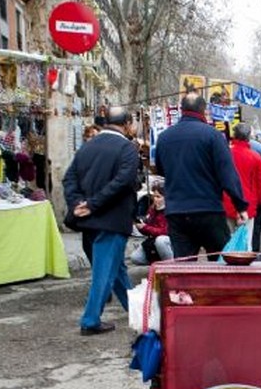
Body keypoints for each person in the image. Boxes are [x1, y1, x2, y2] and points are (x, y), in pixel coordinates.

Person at [63, 107, 140, 335]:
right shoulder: (127, 149)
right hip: (112, 219)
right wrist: (93, 204)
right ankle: (90, 319)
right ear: (126, 123)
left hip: (91, 219)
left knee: (116, 269)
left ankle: (135, 310)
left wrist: (78, 203)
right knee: (104, 271)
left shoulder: (88, 146)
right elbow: (123, 181)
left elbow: (69, 178)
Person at [154, 93, 248, 259]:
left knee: (184, 265)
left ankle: (185, 285)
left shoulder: (164, 138)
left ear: (182, 110)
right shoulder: (213, 136)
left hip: (177, 212)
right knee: (220, 262)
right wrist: (240, 205)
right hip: (208, 210)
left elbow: (161, 171)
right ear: (204, 110)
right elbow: (227, 175)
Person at [223, 123, 261, 237]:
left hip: (226, 204)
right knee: (245, 243)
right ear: (248, 137)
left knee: (228, 243)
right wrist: (257, 200)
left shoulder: (225, 154)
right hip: (248, 205)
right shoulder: (255, 157)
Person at [130, 184, 173, 265]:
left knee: (161, 241)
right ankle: (158, 264)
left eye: (158, 196)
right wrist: (140, 227)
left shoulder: (170, 211)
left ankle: (170, 265)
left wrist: (146, 228)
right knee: (135, 257)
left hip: (168, 241)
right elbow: (148, 228)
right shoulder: (152, 209)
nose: (155, 199)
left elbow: (166, 231)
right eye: (154, 196)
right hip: (152, 241)